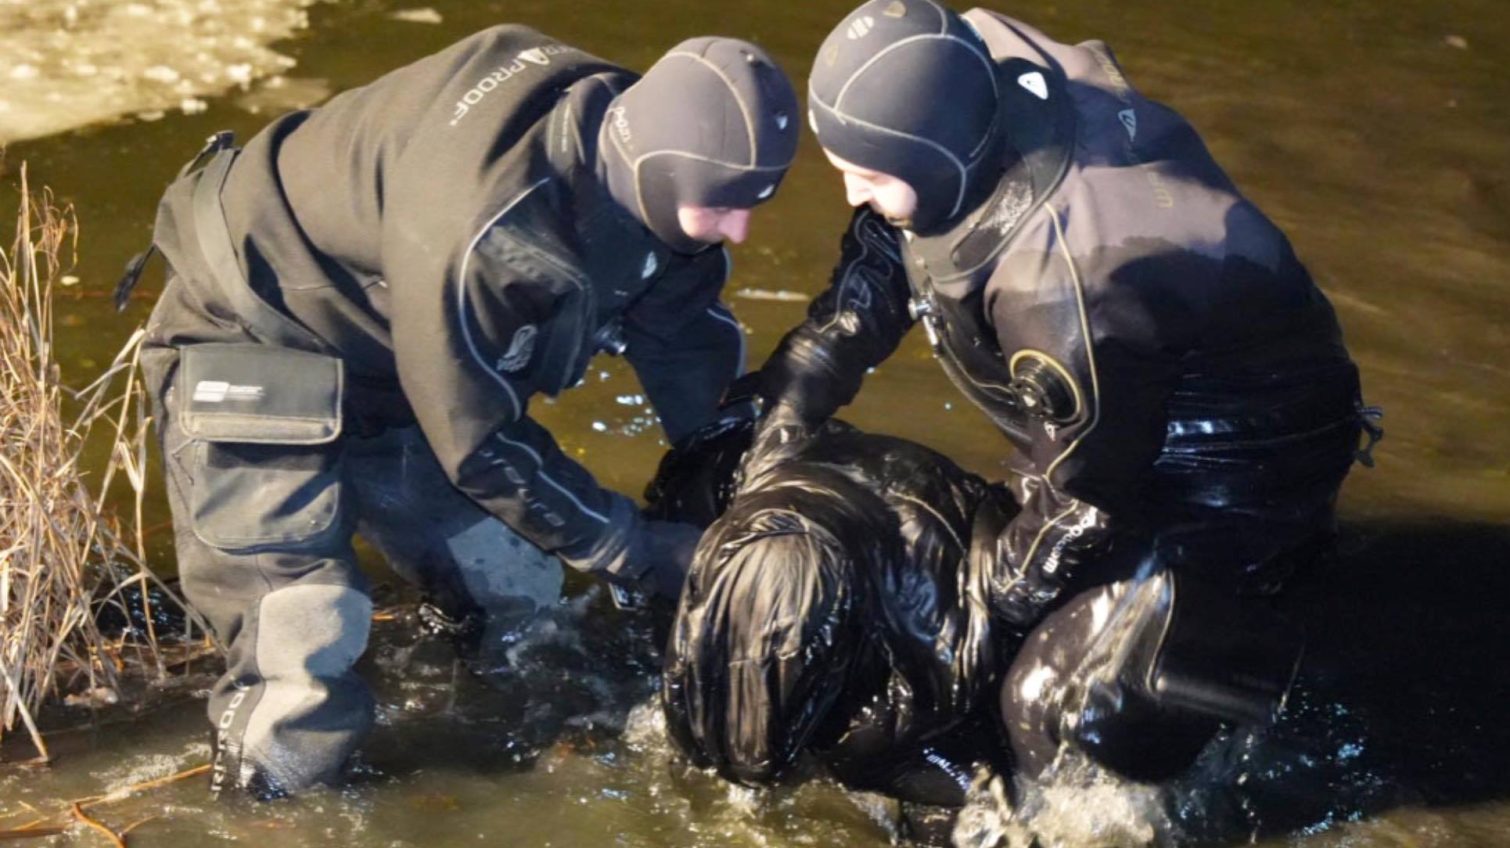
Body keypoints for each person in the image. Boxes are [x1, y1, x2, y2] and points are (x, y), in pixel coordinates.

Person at [116, 24, 799, 797]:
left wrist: (753, 482)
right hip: (255, 327)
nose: (739, 228)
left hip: (402, 350)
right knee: (306, 632)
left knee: (521, 595)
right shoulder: (489, 228)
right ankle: (267, 810)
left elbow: (684, 340)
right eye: (720, 206)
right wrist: (637, 546)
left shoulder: (647, 146)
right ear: (654, 169)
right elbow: (478, 444)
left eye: (751, 204)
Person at [739, 0, 1375, 784]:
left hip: (1232, 461)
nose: (847, 193)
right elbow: (886, 252)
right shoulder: (965, 69)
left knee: (1046, 701)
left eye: (867, 175)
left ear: (941, 161)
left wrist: (987, 609)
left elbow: (1084, 499)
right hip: (1114, 394)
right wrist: (798, 391)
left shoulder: (1066, 285)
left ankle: (1228, 657)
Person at [649, 414, 1301, 845]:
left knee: (1001, 768)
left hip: (954, 583)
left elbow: (933, 736)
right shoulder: (726, 557)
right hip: (827, 519)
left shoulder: (939, 629)